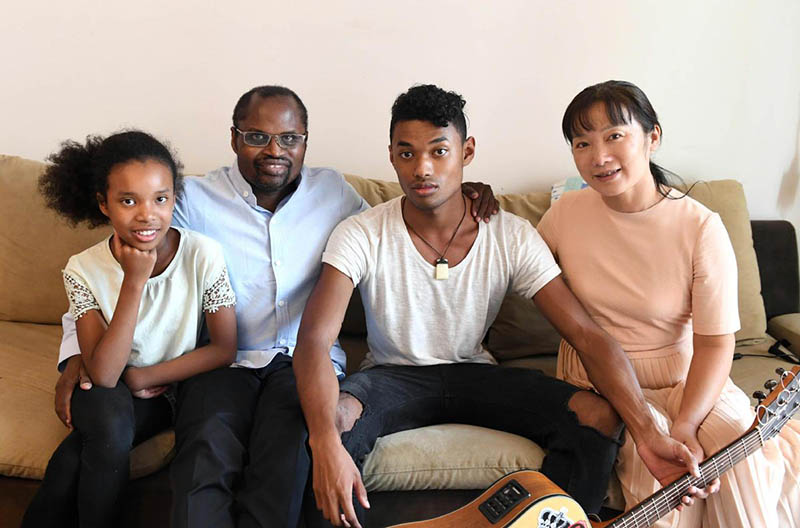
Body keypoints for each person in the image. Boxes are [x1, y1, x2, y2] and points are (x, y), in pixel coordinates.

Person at [50, 86, 501, 528]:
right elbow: (115, 263)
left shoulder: (335, 194)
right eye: (257, 136)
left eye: (289, 138)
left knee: (285, 461)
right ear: (234, 138)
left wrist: (462, 193)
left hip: (305, 364)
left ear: (305, 141)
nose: (274, 150)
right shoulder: (192, 200)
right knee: (205, 452)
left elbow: (400, 223)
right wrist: (76, 355)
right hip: (222, 363)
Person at [293, 84, 708, 528]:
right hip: (392, 377)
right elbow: (314, 342)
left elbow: (586, 335)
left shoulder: (509, 234)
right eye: (407, 153)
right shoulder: (361, 232)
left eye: (439, 150)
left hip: (479, 375)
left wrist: (647, 432)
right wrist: (324, 441)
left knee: (597, 415)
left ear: (467, 151)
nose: (423, 168)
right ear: (392, 156)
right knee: (332, 419)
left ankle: (563, 521)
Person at [537, 79, 800, 527]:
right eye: (582, 142)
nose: (598, 156)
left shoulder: (700, 226)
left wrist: (688, 424)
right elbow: (511, 267)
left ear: (652, 137)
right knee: (655, 468)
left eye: (614, 136)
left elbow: (716, 344)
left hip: (685, 376)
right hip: (601, 379)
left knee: (737, 447)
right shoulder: (565, 215)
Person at [22, 131, 238, 528]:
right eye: (128, 200)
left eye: (161, 198)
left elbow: (225, 347)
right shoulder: (82, 269)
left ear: (175, 198)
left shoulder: (202, 254)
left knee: (76, 455)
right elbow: (103, 374)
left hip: (164, 388)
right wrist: (134, 281)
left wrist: (144, 377)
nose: (146, 214)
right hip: (108, 389)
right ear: (103, 204)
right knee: (105, 426)